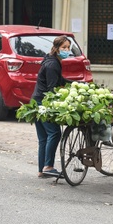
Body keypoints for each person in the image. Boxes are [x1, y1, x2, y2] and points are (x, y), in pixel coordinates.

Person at [31, 35, 72, 178]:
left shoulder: (51, 60)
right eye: (64, 47)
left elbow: (59, 80)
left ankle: (42, 170)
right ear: (56, 48)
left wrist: (75, 84)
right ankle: (48, 166)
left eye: (68, 47)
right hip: (43, 102)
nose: (66, 50)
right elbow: (52, 89)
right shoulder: (53, 64)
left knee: (43, 137)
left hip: (36, 101)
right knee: (54, 133)